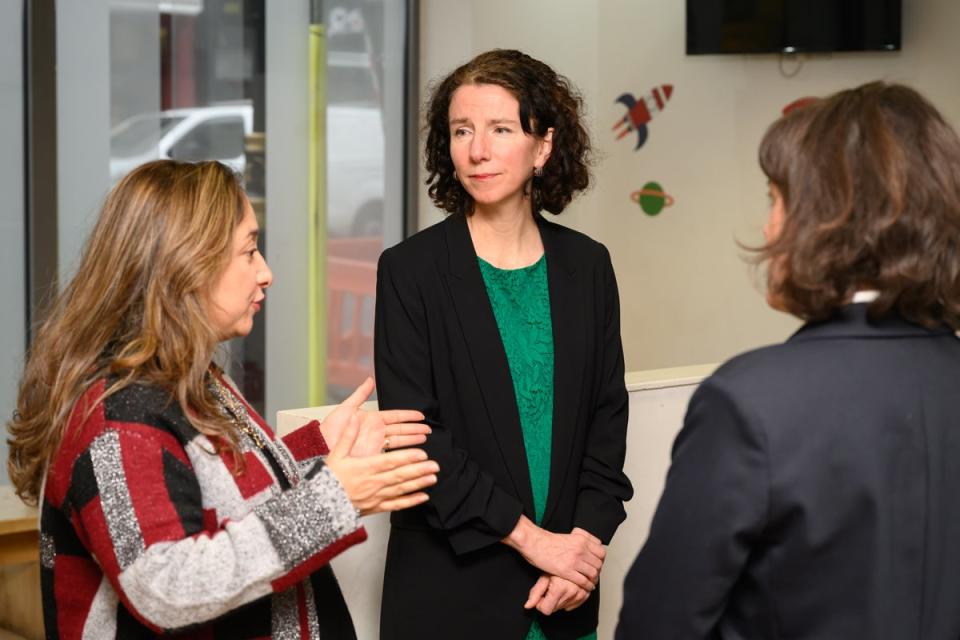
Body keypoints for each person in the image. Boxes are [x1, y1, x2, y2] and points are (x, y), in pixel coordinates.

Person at [6, 160, 439, 639]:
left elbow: (210, 494)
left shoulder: (184, 378)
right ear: (186, 265)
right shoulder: (121, 415)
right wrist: (331, 501)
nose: (266, 272)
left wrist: (315, 448)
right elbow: (167, 586)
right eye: (249, 252)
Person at [616, 82, 960, 639]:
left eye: (775, 200)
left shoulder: (749, 403)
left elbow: (658, 626)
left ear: (825, 217)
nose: (769, 228)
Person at [374, 49, 633, 640]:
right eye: (462, 131)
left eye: (500, 129)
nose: (477, 150)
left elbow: (606, 418)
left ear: (542, 146)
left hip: (564, 596)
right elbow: (419, 442)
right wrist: (536, 543)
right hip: (452, 597)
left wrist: (583, 551)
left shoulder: (587, 265)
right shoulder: (409, 271)